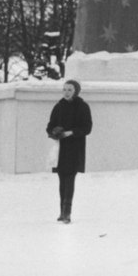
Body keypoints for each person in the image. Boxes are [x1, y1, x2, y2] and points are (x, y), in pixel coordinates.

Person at [46, 79, 92, 224]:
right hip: (60, 148)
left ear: (76, 91)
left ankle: (67, 212)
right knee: (62, 179)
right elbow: (49, 125)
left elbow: (87, 128)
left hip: (75, 147)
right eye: (64, 89)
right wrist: (54, 131)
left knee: (70, 178)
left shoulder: (83, 107)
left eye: (70, 90)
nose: (66, 92)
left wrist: (71, 132)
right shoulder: (58, 106)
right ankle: (61, 211)